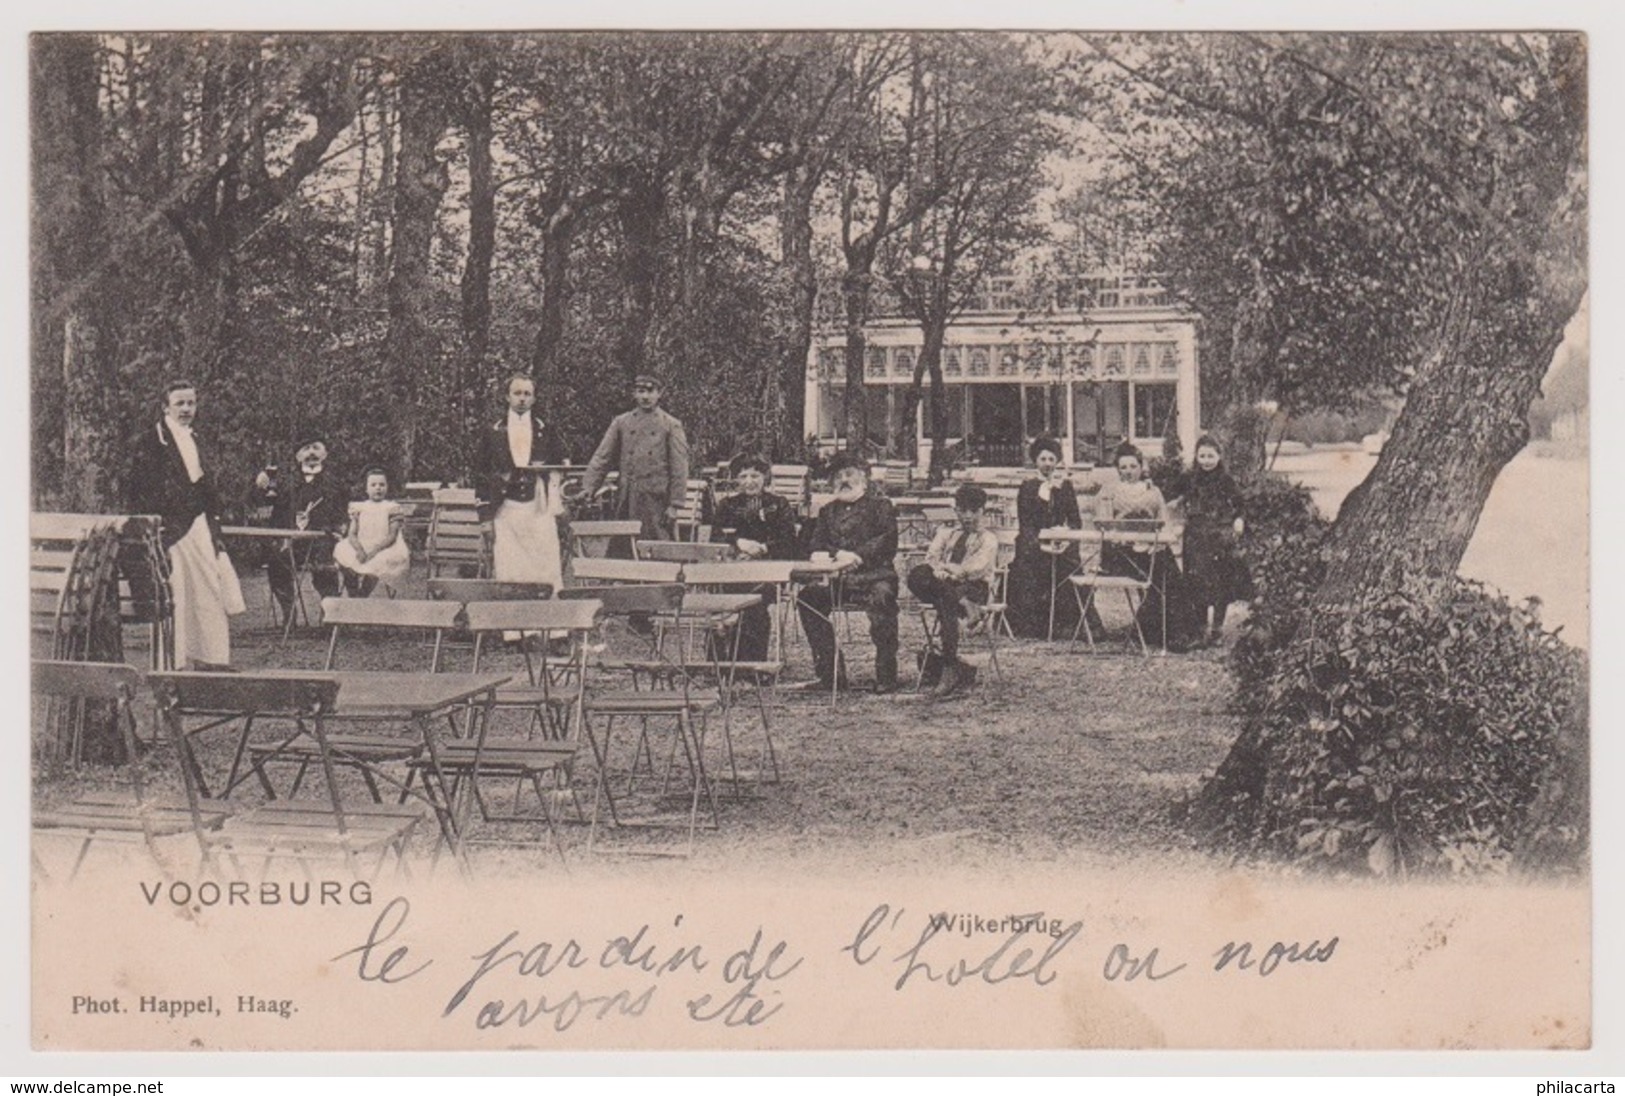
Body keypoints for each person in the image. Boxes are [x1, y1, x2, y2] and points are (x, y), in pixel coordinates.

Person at [127, 380, 243, 669]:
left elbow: (205, 482)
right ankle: (171, 664)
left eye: (191, 403)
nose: (186, 409)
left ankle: (212, 658)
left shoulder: (197, 438)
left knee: (209, 587)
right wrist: (159, 524)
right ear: (165, 407)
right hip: (169, 527)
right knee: (173, 592)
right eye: (180, 403)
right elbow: (141, 489)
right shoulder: (151, 441)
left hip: (198, 522)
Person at [796, 452, 900, 693]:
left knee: (882, 599)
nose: (844, 480)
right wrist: (836, 556)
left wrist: (857, 556)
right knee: (808, 599)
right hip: (838, 579)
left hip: (875, 577)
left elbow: (887, 541)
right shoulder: (827, 511)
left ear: (863, 478)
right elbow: (816, 543)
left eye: (850, 474)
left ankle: (886, 675)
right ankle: (831, 674)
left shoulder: (881, 506)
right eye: (839, 476)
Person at [1094, 443, 1196, 650]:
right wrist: (1122, 538)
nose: (1128, 472)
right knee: (1160, 573)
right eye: (1123, 467)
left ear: (1141, 467)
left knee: (1170, 575)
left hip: (1151, 548)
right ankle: (1158, 632)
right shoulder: (1109, 492)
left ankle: (1174, 634)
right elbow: (1104, 525)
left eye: (1133, 466)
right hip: (1122, 552)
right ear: (1117, 469)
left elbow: (1164, 521)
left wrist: (1157, 542)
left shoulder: (1153, 491)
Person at [906, 484, 999, 698]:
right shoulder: (947, 532)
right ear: (955, 510)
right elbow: (931, 558)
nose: (968, 517)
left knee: (945, 598)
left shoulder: (988, 538)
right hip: (947, 586)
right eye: (962, 511)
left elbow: (977, 568)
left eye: (973, 511)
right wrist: (940, 571)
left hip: (974, 588)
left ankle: (949, 667)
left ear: (982, 511)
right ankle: (965, 605)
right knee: (917, 574)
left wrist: (950, 572)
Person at [476, 374, 566, 591]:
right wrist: (485, 518)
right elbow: (481, 475)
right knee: (510, 567)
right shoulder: (492, 431)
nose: (522, 398)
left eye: (527, 394)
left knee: (544, 565)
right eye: (517, 393)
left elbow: (562, 462)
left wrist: (548, 474)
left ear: (534, 399)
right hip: (506, 509)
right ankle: (512, 623)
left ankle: (548, 622)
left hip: (539, 508)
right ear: (507, 397)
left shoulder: (546, 429)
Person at [710, 454, 800, 662]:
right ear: (736, 479)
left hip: (769, 572)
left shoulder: (779, 504)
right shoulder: (727, 505)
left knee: (754, 602)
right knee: (719, 598)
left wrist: (763, 548)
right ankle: (718, 662)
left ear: (765, 477)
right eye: (743, 476)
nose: (749, 481)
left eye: (755, 475)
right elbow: (717, 537)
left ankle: (750, 665)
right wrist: (738, 544)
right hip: (733, 570)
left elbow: (788, 541)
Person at [579, 374, 691, 542]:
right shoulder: (621, 422)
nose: (645, 396)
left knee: (656, 552)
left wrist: (675, 504)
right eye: (640, 391)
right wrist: (588, 488)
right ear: (634, 394)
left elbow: (679, 468)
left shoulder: (670, 425)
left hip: (656, 502)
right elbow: (602, 457)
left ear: (659, 393)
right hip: (627, 499)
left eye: (650, 391)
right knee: (623, 551)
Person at [1007, 436, 1098, 640]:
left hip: (1060, 543)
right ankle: (1033, 626)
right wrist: (1040, 545)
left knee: (1069, 568)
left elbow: (1075, 521)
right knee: (1028, 571)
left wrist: (1064, 537)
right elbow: (1026, 523)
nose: (1047, 464)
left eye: (1051, 459)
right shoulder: (1028, 487)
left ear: (1056, 462)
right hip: (1034, 546)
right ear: (1036, 462)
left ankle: (1071, 625)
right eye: (1043, 459)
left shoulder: (1064, 486)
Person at [251, 436, 346, 620]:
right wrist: (259, 487)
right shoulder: (285, 482)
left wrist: (333, 529)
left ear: (324, 454)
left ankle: (329, 614)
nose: (311, 453)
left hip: (322, 542)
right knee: (276, 561)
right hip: (292, 543)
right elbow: (262, 503)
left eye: (316, 448)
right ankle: (289, 613)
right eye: (306, 448)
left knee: (325, 566)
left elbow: (341, 513)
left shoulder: (334, 483)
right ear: (297, 456)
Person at [1174, 436, 1249, 647]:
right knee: (1196, 582)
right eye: (1202, 456)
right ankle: (1200, 629)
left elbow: (1240, 504)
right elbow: (1171, 494)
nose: (1206, 461)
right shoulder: (1189, 478)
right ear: (1196, 457)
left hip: (1218, 536)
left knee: (1220, 583)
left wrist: (1239, 520)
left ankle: (1216, 628)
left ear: (1219, 456)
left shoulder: (1225, 480)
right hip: (1195, 537)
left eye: (1211, 456)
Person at [334, 469, 412, 598]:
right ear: (366, 489)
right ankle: (353, 590)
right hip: (362, 544)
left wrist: (375, 551)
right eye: (373, 485)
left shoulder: (391, 508)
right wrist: (359, 550)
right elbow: (352, 534)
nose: (378, 488)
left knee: (378, 562)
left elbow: (392, 536)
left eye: (382, 485)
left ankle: (363, 593)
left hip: (384, 546)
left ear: (387, 487)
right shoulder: (359, 508)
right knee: (343, 553)